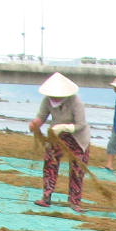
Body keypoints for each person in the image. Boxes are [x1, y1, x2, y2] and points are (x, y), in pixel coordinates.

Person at [28, 72, 92, 212]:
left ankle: (75, 201)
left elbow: (80, 124)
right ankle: (46, 197)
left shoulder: (76, 102)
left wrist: (64, 127)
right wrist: (35, 124)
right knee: (50, 162)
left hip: (78, 137)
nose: (54, 97)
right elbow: (41, 116)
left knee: (77, 168)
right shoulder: (47, 100)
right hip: (56, 135)